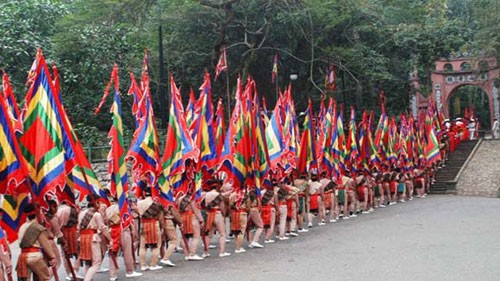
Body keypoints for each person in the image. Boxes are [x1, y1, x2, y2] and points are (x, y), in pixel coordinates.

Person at [16, 202, 57, 281]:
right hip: (35, 257)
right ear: (37, 213)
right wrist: (53, 257)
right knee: (45, 278)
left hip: (22, 257)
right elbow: (45, 245)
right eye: (41, 211)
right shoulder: (37, 227)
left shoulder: (22, 226)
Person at [105, 194, 142, 280]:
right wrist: (134, 232)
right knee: (127, 252)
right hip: (123, 230)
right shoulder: (124, 208)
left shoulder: (108, 209)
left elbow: (106, 220)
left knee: (114, 253)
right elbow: (129, 221)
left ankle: (112, 275)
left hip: (112, 230)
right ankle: (130, 271)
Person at [77, 195, 112, 281]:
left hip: (82, 238)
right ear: (97, 202)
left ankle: (89, 278)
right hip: (92, 238)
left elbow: (78, 228)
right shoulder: (96, 214)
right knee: (97, 262)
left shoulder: (81, 213)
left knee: (88, 261)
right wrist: (110, 239)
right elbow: (103, 228)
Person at [137, 186, 164, 270]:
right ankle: (153, 264)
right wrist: (162, 227)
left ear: (144, 193)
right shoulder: (157, 204)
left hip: (143, 224)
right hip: (154, 224)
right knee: (157, 245)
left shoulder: (139, 203)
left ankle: (143, 265)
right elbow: (161, 217)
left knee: (142, 246)